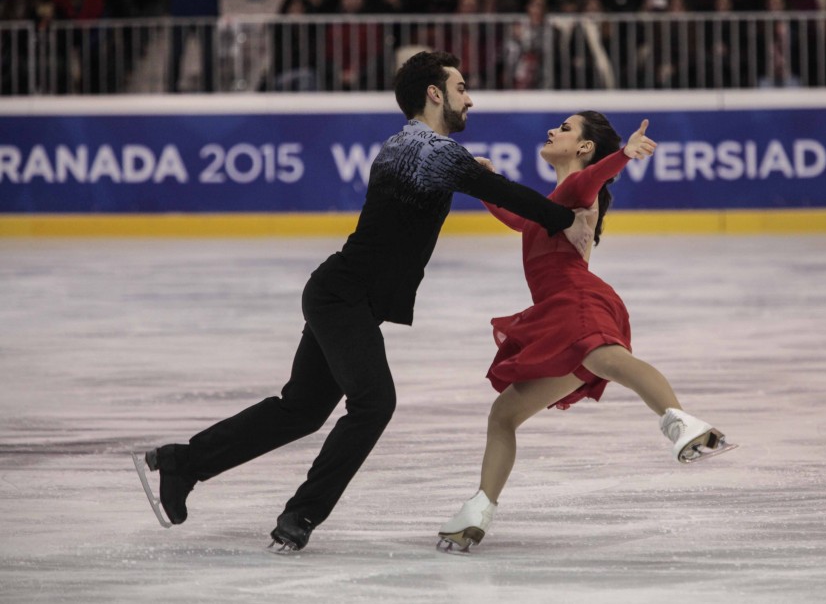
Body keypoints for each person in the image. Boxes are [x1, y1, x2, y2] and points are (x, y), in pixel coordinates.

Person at [133, 51, 595, 553]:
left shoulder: (412, 145)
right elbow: (507, 194)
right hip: (343, 296)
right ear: (434, 94)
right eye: (461, 88)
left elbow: (483, 184)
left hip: (341, 294)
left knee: (302, 410)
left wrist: (481, 177)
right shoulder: (433, 150)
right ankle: (300, 515)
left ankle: (183, 463)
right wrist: (567, 219)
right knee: (374, 403)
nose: (470, 98)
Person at [436, 112, 734, 553]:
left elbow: (594, 177)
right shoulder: (553, 200)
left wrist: (623, 156)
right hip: (557, 312)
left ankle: (683, 423)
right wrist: (487, 182)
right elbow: (516, 217)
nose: (552, 130)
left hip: (576, 300)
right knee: (504, 414)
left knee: (606, 359)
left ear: (583, 148)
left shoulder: (578, 187)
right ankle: (477, 510)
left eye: (566, 128)